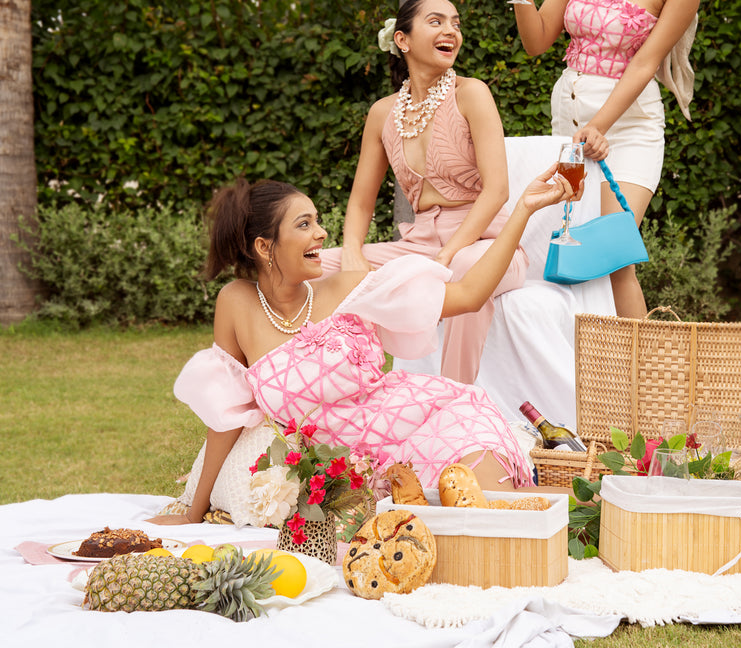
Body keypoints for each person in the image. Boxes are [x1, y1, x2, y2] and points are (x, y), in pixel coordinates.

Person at [149, 167, 577, 525]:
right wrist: (193, 512)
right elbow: (225, 417)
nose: (322, 234)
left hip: (430, 419)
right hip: (358, 473)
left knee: (498, 512)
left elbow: (467, 295)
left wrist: (523, 209)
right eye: (304, 225)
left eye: (317, 220)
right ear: (265, 247)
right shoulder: (236, 304)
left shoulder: (351, 286)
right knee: (465, 528)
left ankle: (595, 506)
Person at [499, 0, 704, 319]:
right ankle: (581, 377)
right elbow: (536, 41)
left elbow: (644, 63)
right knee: (566, 249)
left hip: (627, 129)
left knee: (613, 257)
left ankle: (648, 384)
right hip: (568, 124)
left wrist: (601, 126)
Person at [319, 0, 525, 385]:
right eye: (436, 21)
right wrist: (350, 252)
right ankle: (329, 391)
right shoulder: (382, 113)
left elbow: (496, 191)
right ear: (403, 40)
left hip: (488, 243)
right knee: (312, 269)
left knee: (464, 268)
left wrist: (447, 254)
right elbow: (362, 203)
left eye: (456, 23)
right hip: (418, 243)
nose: (451, 30)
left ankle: (455, 403)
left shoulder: (471, 93)